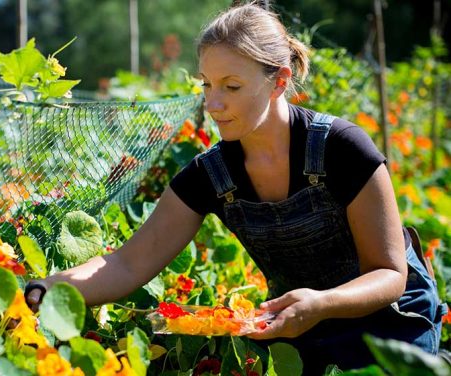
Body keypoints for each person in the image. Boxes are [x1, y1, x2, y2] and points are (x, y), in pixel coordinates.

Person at [26, 2, 445, 373]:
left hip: (391, 327)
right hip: (296, 328)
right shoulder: (212, 174)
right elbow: (127, 265)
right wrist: (47, 288)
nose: (212, 104)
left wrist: (320, 304)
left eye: (231, 86)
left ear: (279, 81)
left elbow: (390, 273)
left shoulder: (342, 148)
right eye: (207, 84)